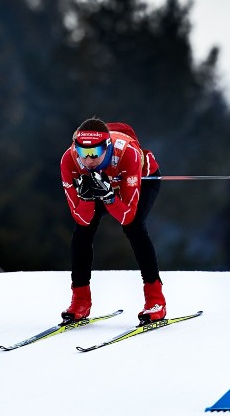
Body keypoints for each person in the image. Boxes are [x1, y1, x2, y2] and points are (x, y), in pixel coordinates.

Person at [60, 117, 166, 325]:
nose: (88, 160)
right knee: (82, 233)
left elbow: (127, 216)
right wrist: (87, 198)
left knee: (134, 228)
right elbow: (81, 218)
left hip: (141, 180)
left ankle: (156, 301)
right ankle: (80, 301)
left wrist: (109, 197)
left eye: (95, 153)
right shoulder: (69, 160)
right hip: (105, 186)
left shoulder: (128, 154)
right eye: (83, 153)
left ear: (107, 147)